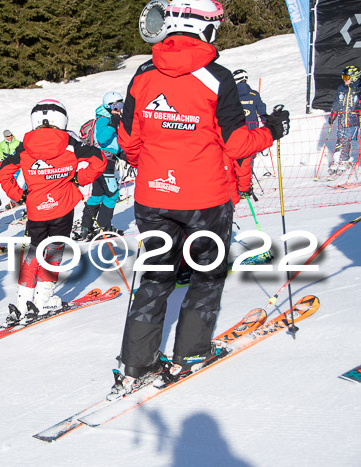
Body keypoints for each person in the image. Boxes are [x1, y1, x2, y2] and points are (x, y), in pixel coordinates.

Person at [114, 0, 290, 389]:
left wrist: (158, 164)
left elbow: (128, 141)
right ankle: (191, 351)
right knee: (207, 274)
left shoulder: (142, 75)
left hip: (152, 196)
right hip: (204, 198)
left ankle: (136, 364)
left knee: (155, 277)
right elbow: (238, 143)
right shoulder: (217, 77)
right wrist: (273, 131)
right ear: (202, 28)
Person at [0, 99, 106, 321]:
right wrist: (79, 178)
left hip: (36, 209)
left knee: (32, 251)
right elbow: (99, 160)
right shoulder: (70, 142)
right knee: (54, 250)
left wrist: (20, 195)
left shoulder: (25, 145)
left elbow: (3, 173)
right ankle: (44, 298)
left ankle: (22, 300)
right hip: (63, 207)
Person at [78, 91, 127, 239]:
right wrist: (113, 122)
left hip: (105, 161)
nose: (120, 107)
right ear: (108, 106)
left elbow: (113, 143)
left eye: (121, 104)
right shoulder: (103, 119)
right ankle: (104, 228)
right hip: (104, 162)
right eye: (117, 104)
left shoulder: (112, 118)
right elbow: (103, 138)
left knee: (98, 195)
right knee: (112, 194)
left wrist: (122, 153)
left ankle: (86, 227)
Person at [233, 69, 269, 176]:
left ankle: (239, 177)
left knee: (237, 155)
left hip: (237, 130)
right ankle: (248, 176)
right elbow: (262, 111)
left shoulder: (231, 95)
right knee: (250, 154)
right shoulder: (254, 94)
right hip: (252, 129)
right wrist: (266, 123)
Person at [329, 65, 361, 175]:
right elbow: (336, 102)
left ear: (354, 77)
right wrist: (333, 113)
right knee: (340, 138)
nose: (344, 79)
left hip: (354, 119)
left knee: (347, 139)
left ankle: (344, 159)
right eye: (343, 77)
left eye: (347, 77)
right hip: (343, 119)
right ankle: (336, 159)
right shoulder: (341, 88)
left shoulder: (358, 87)